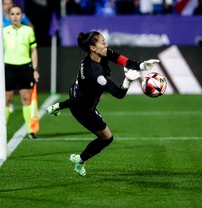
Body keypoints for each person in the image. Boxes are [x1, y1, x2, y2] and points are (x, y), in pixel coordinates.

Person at [46, 31, 159, 176]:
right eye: (103, 42)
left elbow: (121, 59)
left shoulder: (101, 54)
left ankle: (58, 106)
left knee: (94, 97)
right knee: (107, 137)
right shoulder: (95, 73)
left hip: (78, 93)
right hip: (83, 108)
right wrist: (127, 81)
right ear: (93, 48)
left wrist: (142, 65)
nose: (106, 45)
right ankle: (79, 160)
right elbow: (119, 94)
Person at [3, 4, 40, 139]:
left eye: (18, 14)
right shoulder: (3, 31)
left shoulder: (29, 31)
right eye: (12, 14)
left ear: (22, 16)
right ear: (9, 16)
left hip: (25, 68)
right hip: (8, 67)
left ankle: (31, 131)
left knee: (26, 99)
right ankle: (2, 130)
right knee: (7, 99)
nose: (15, 16)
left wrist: (35, 70)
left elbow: (34, 51)